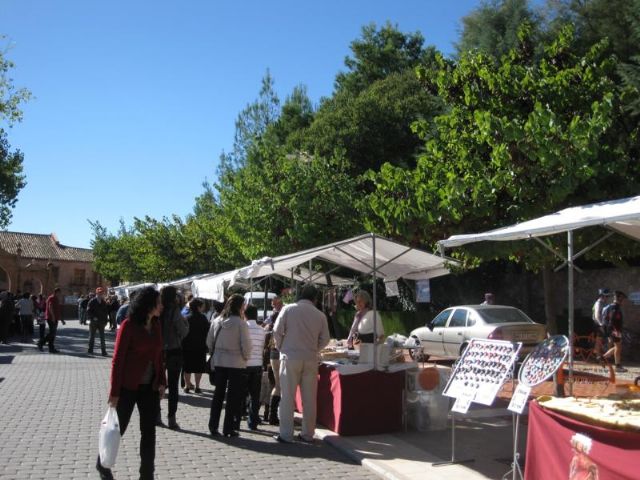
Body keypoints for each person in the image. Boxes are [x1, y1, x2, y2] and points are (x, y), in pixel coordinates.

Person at [95, 286, 166, 480]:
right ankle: (102, 463)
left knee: (149, 433)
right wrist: (114, 391)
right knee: (118, 429)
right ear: (148, 304)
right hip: (128, 387)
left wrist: (162, 381)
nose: (161, 306)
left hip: (150, 388)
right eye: (158, 302)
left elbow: (159, 356)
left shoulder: (157, 325)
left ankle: (147, 475)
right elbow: (118, 360)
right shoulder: (129, 326)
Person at [273, 284, 330, 443]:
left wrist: (281, 347)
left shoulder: (288, 309)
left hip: (290, 356)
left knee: (287, 397)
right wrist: (314, 349)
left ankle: (285, 434)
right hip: (310, 358)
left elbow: (277, 331)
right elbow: (325, 339)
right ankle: (307, 434)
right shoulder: (320, 315)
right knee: (310, 398)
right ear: (315, 298)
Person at [206, 293, 252, 438]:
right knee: (233, 397)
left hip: (219, 361)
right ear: (240, 306)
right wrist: (245, 357)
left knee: (218, 395)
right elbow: (246, 345)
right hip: (236, 363)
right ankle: (228, 428)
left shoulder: (217, 320)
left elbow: (209, 341)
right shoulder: (240, 323)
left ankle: (213, 425)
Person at [158, 285, 189, 429]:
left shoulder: (158, 309)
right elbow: (183, 331)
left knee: (157, 384)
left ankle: (156, 415)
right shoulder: (174, 310)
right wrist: (185, 323)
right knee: (174, 386)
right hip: (173, 350)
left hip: (158, 351)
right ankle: (171, 418)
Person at [243, 304, 266, 430]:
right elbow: (261, 347)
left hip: (244, 364)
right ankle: (252, 422)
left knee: (241, 393)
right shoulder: (261, 330)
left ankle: (237, 418)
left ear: (244, 314)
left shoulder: (243, 328)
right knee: (255, 395)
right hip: (257, 364)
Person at [181, 298, 209, 394]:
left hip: (187, 346)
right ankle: (197, 386)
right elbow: (207, 332)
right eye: (202, 306)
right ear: (198, 307)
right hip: (200, 346)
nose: (203, 308)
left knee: (187, 367)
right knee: (199, 367)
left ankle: (187, 386)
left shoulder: (186, 318)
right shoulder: (204, 318)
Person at [263, 295, 283, 425]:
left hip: (270, 357)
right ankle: (272, 414)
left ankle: (268, 412)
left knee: (272, 385)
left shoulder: (269, 330)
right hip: (277, 356)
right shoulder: (280, 331)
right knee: (277, 385)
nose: (272, 304)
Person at [602, 290, 628, 372]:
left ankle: (602, 358)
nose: (623, 301)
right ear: (619, 298)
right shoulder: (615, 307)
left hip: (613, 330)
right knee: (618, 347)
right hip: (614, 330)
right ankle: (617, 366)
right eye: (622, 299)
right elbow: (612, 320)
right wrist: (615, 331)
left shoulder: (611, 306)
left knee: (617, 347)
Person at [38, 287, 64, 353]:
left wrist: (61, 319)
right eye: (59, 293)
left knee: (53, 333)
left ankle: (51, 348)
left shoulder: (56, 299)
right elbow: (50, 307)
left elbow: (57, 310)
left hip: (55, 318)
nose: (60, 294)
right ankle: (41, 343)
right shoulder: (51, 298)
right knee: (52, 333)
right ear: (56, 292)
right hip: (51, 318)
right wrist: (53, 317)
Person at [87, 287, 109, 356]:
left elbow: (106, 312)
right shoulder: (92, 301)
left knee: (102, 337)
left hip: (101, 322)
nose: (100, 294)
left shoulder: (103, 302)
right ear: (96, 293)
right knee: (92, 336)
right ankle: (90, 350)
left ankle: (103, 351)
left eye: (101, 292)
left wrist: (106, 321)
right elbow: (88, 311)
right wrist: (93, 317)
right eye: (99, 292)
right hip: (94, 321)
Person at [592, 288, 611, 358]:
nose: (607, 298)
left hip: (602, 324)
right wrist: (600, 324)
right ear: (602, 296)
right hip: (598, 324)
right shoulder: (598, 303)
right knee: (599, 340)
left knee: (603, 340)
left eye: (608, 296)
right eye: (606, 296)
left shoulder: (604, 303)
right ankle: (598, 356)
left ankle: (603, 355)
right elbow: (597, 315)